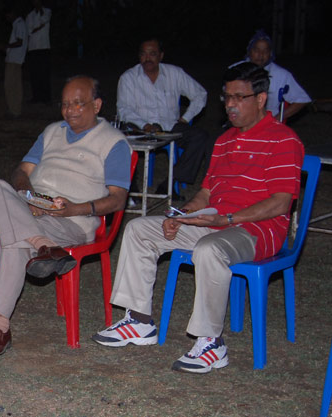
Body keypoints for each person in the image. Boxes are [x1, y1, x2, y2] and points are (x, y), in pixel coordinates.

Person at [92, 62, 304, 374]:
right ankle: (138, 321)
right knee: (138, 229)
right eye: (227, 97)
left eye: (239, 97)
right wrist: (185, 214)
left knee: (210, 249)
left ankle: (212, 343)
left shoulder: (284, 140)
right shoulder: (224, 141)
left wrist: (228, 219)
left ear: (260, 99)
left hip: (258, 230)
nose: (230, 105)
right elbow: (206, 193)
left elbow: (280, 203)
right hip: (218, 219)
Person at [0, 76, 132, 357]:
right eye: (65, 104)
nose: (69, 110)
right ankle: (44, 245)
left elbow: (118, 199)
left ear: (96, 105)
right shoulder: (51, 132)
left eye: (78, 104)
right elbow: (21, 172)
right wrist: (28, 197)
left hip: (73, 220)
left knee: (11, 242)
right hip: (33, 209)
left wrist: (74, 208)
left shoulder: (114, 143)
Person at [117, 39, 210, 188]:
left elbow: (200, 94)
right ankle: (131, 190)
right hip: (140, 128)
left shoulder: (175, 73)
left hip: (170, 127)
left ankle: (171, 183)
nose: (148, 59)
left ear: (161, 56)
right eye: (143, 54)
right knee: (117, 139)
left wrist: (186, 118)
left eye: (152, 54)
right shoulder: (128, 78)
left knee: (201, 137)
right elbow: (123, 109)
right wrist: (144, 125)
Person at [240, 29, 311, 121]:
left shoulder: (281, 74)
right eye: (256, 50)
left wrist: (277, 119)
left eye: (265, 51)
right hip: (241, 123)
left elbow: (301, 99)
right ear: (249, 51)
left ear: (270, 54)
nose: (261, 55)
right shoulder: (236, 70)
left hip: (267, 124)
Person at [2, 8, 27, 118]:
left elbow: (19, 42)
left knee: (10, 85)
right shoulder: (18, 24)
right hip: (15, 59)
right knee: (14, 85)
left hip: (15, 60)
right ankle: (14, 109)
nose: (7, 18)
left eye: (8, 15)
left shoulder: (19, 24)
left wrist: (6, 46)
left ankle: (14, 110)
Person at [25, 0, 51, 103]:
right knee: (35, 74)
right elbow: (29, 30)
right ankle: (36, 97)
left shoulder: (47, 11)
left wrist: (37, 27)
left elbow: (44, 20)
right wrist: (39, 26)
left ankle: (46, 98)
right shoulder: (30, 15)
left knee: (44, 74)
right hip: (33, 48)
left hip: (44, 47)